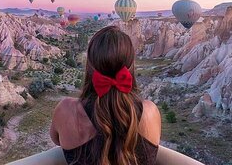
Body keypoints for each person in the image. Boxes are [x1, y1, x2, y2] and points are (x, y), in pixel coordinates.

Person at [50, 26, 161, 165]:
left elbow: (56, 139)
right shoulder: (150, 111)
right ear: (131, 66)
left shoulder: (66, 109)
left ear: (90, 66)